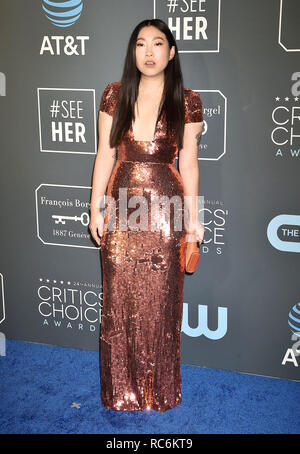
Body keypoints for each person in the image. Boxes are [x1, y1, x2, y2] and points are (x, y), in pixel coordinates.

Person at [89, 18, 205, 412]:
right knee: (119, 296)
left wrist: (193, 219)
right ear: (133, 52)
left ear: (171, 53)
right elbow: (104, 154)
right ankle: (121, 390)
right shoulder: (114, 95)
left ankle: (158, 391)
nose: (149, 52)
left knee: (161, 300)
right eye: (141, 44)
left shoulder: (187, 101)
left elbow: (188, 164)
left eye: (158, 44)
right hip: (121, 205)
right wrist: (95, 207)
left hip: (165, 209)